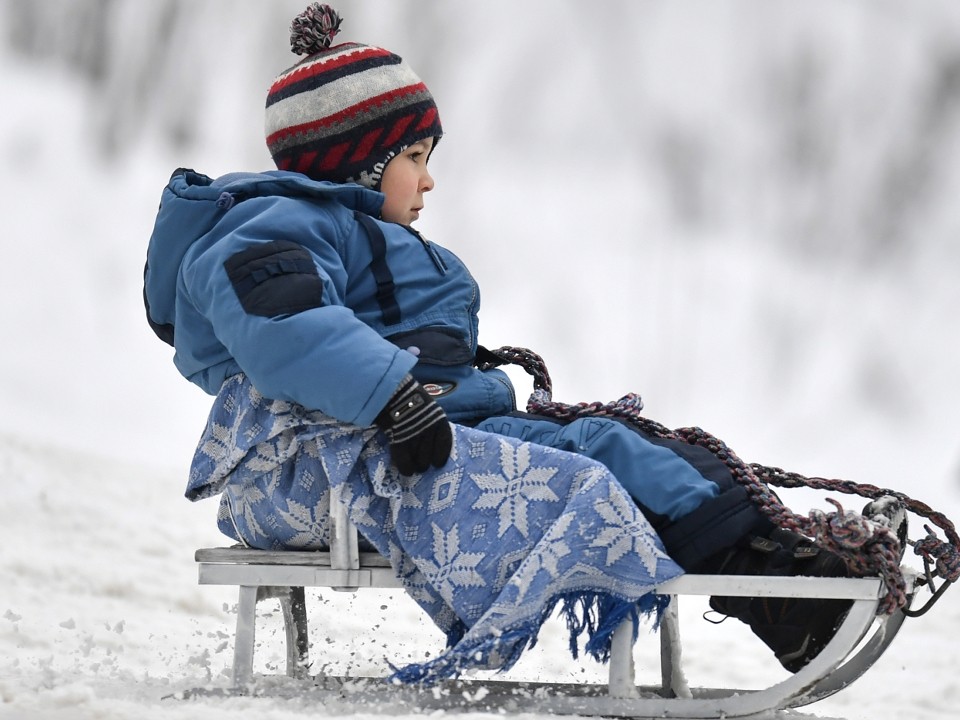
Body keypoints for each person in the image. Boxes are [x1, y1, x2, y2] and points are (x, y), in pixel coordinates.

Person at [144, 4, 878, 682]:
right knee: (596, 454)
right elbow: (286, 325)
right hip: (337, 461)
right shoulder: (275, 226)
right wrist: (392, 393)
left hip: (406, 431)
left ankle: (787, 557)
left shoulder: (339, 228)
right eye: (416, 156)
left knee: (617, 435)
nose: (429, 181)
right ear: (360, 161)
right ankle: (791, 605)